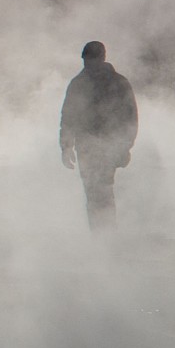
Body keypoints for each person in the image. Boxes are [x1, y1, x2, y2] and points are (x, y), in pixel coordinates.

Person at [59, 41, 138, 231]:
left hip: (107, 145)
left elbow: (130, 118)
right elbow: (69, 117)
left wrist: (124, 146)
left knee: (101, 190)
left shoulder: (116, 82)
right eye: (86, 61)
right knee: (95, 191)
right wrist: (66, 147)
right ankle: (101, 236)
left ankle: (105, 236)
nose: (87, 65)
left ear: (100, 58)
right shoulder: (82, 84)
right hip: (88, 147)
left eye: (90, 60)